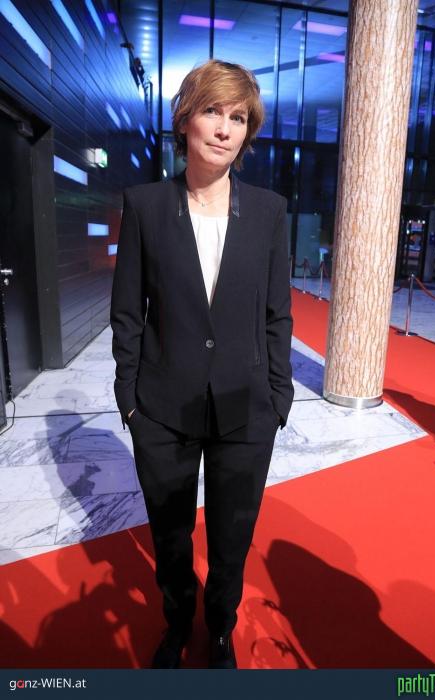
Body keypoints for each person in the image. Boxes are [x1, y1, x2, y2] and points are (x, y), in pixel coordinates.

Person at [110, 59, 293, 669]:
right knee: (170, 537)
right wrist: (130, 401)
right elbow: (127, 313)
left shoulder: (268, 212)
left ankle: (218, 630)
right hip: (162, 409)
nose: (223, 128)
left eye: (237, 117)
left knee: (231, 540)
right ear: (186, 119)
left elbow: (277, 315)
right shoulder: (145, 205)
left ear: (247, 132)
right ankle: (176, 623)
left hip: (248, 409)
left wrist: (279, 398)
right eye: (213, 111)